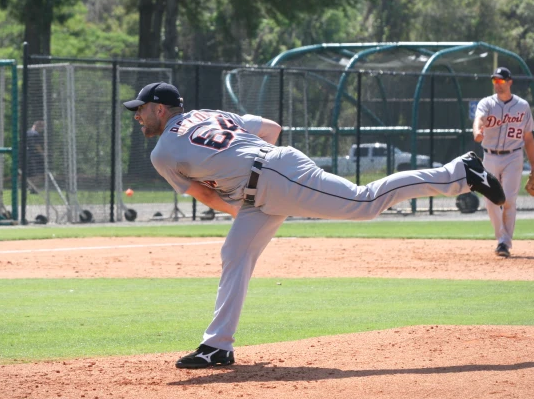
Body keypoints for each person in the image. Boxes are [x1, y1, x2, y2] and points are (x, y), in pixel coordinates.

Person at [123, 81, 506, 369]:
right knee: (234, 253)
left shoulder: (163, 152)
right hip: (269, 175)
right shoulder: (211, 114)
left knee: (365, 202)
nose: (137, 115)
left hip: (269, 181)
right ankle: (217, 346)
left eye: (140, 109)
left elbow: (206, 197)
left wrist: (244, 198)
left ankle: (458, 172)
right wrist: (250, 176)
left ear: (160, 108)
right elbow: (271, 127)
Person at [472, 67, 534, 258]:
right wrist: (477, 131)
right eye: (494, 81)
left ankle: (504, 244)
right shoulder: (487, 103)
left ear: (509, 82)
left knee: (508, 199)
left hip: (513, 156)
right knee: (491, 200)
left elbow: (528, 138)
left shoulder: (522, 106)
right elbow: (478, 119)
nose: (497, 85)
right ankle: (502, 238)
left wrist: (533, 167)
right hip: (490, 155)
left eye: (500, 81)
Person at [26, 120, 46, 192]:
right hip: (33, 156)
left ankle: (31, 187)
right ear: (38, 126)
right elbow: (37, 145)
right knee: (39, 173)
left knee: (31, 173)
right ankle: (32, 187)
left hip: (26, 155)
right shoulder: (35, 134)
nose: (41, 130)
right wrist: (43, 153)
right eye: (41, 128)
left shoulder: (27, 132)